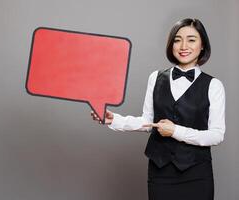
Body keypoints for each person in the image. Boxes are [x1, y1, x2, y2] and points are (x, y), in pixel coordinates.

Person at [91, 18, 225, 200]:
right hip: (160, 172)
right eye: (178, 40)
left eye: (191, 39)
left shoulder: (213, 85)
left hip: (196, 174)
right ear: (171, 44)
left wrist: (176, 131)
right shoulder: (156, 77)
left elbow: (216, 135)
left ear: (202, 45)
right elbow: (148, 122)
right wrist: (114, 120)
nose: (183, 45)